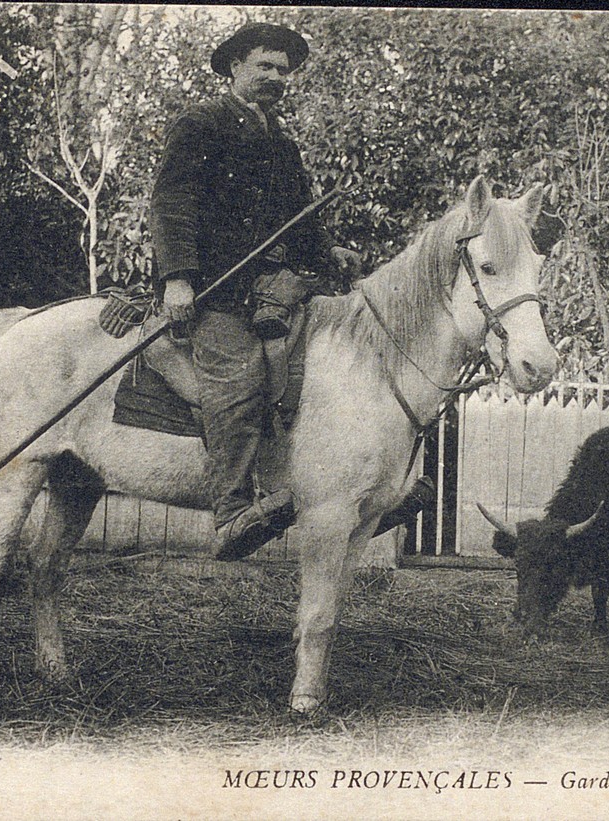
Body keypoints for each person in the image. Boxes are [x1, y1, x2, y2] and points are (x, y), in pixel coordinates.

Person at [149, 22, 362, 561]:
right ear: (234, 67)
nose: (275, 77)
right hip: (215, 291)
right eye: (264, 66)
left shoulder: (283, 146)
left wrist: (328, 252)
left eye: (282, 70)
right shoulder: (201, 124)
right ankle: (232, 513)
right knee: (239, 381)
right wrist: (178, 277)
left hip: (274, 289)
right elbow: (173, 202)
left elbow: (298, 220)